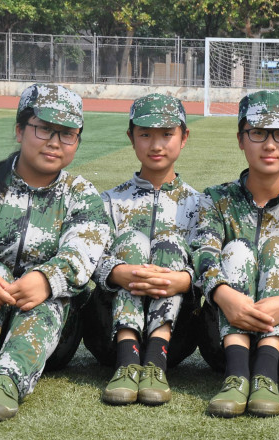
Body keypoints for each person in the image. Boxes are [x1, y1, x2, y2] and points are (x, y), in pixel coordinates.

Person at [0, 84, 111, 422]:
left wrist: (46, 279)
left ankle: (7, 381)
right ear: (19, 130)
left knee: (49, 287)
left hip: (49, 332)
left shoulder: (82, 195)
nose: (54, 142)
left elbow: (81, 252)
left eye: (67, 134)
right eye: (43, 128)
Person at [191, 90, 279, 418]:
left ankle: (266, 376)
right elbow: (203, 254)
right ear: (240, 139)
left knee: (277, 247)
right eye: (258, 133)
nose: (270, 145)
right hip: (223, 343)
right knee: (237, 250)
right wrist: (225, 295)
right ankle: (236, 376)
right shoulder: (216, 200)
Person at [81, 93, 200, 406]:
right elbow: (86, 257)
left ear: (184, 137)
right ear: (131, 137)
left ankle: (155, 361)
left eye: (166, 134)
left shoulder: (200, 205)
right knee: (133, 241)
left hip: (175, 339)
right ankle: (127, 359)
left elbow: (209, 262)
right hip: (108, 335)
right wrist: (118, 273)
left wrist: (183, 280)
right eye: (145, 134)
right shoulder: (109, 201)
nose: (156, 145)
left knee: (170, 243)